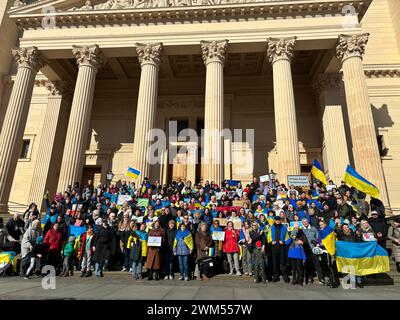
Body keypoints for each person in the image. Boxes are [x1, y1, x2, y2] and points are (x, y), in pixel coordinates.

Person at [301, 218, 324, 284]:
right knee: (307, 264)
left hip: (314, 248)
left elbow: (318, 237)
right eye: (303, 222)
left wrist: (318, 243)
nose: (305, 223)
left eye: (306, 221)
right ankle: (309, 277)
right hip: (306, 249)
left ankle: (320, 278)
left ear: (308, 222)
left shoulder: (313, 228)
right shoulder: (301, 230)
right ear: (302, 223)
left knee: (317, 264)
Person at [267, 216, 289, 283]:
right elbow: (269, 236)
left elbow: (287, 237)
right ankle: (275, 276)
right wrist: (271, 242)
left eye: (278, 220)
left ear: (280, 220)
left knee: (283, 262)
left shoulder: (284, 228)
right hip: (274, 247)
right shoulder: (272, 227)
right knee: (275, 262)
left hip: (282, 247)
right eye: (276, 220)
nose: (277, 221)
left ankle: (285, 276)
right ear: (274, 221)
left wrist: (284, 241)